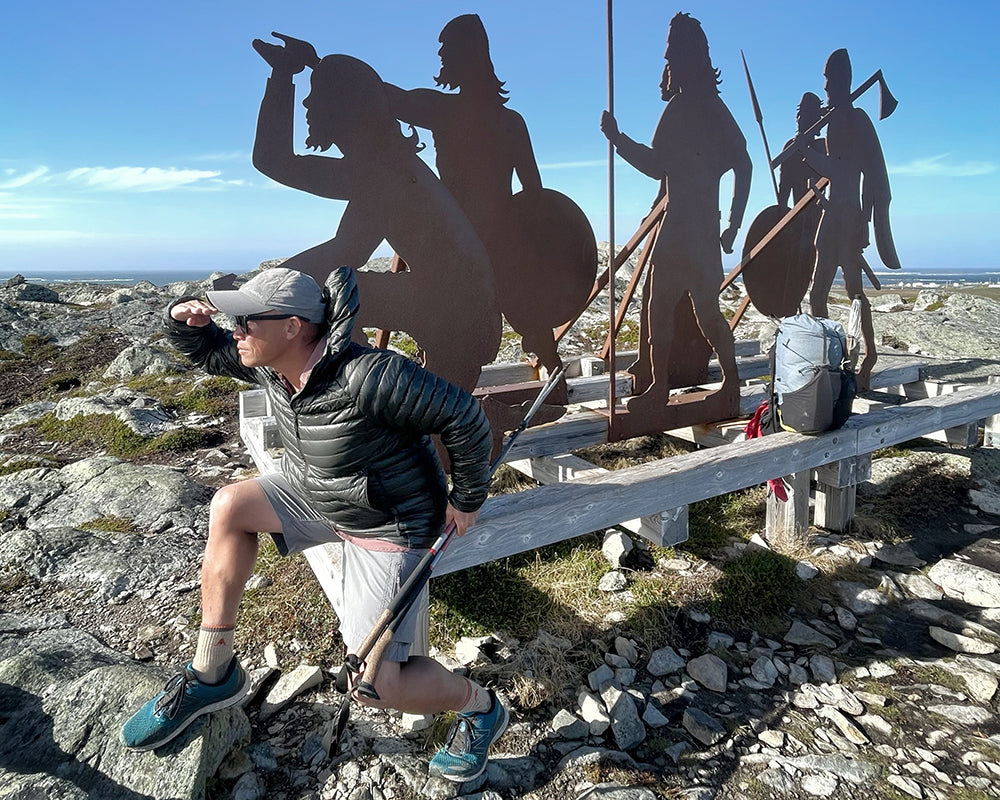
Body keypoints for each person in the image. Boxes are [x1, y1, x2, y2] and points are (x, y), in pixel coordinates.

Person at [120, 265, 507, 783]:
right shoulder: (270, 362)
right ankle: (211, 673)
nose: (236, 331)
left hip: (387, 524)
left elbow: (463, 416)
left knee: (376, 686)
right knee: (230, 506)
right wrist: (181, 320)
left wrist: (467, 498)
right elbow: (210, 352)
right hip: (318, 495)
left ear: (293, 326)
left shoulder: (369, 376)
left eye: (246, 320)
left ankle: (482, 709)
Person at [251, 33, 500, 396]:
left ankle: (354, 391)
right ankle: (358, 389)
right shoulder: (385, 162)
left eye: (314, 93)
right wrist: (293, 71)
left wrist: (263, 289)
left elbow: (344, 252)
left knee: (321, 294)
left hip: (459, 321)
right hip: (459, 310)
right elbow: (278, 163)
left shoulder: (382, 172)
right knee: (323, 289)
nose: (306, 102)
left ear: (341, 106)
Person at [600, 12, 751, 416]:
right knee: (698, 311)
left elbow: (655, 165)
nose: (665, 55)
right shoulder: (715, 107)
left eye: (671, 49)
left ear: (686, 54)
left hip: (686, 225)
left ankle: (667, 388)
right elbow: (744, 163)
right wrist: (732, 223)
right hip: (702, 227)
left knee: (670, 307)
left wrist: (617, 139)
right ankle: (685, 386)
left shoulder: (686, 107)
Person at [796, 48, 899, 389]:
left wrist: (807, 152)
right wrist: (808, 145)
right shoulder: (836, 119)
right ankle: (831, 355)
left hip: (848, 216)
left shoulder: (853, 121)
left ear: (841, 80)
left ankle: (867, 355)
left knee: (853, 289)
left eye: (828, 79)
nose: (824, 86)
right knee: (818, 292)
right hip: (835, 213)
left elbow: (840, 169)